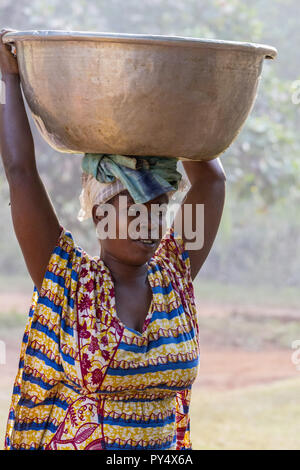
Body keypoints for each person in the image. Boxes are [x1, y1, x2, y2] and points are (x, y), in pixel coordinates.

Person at [0, 28, 226, 450]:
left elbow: (210, 181)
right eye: (136, 208)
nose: (152, 222)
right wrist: (8, 80)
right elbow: (20, 172)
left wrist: (186, 99)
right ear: (101, 211)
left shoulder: (173, 277)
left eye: (160, 208)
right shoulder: (70, 283)